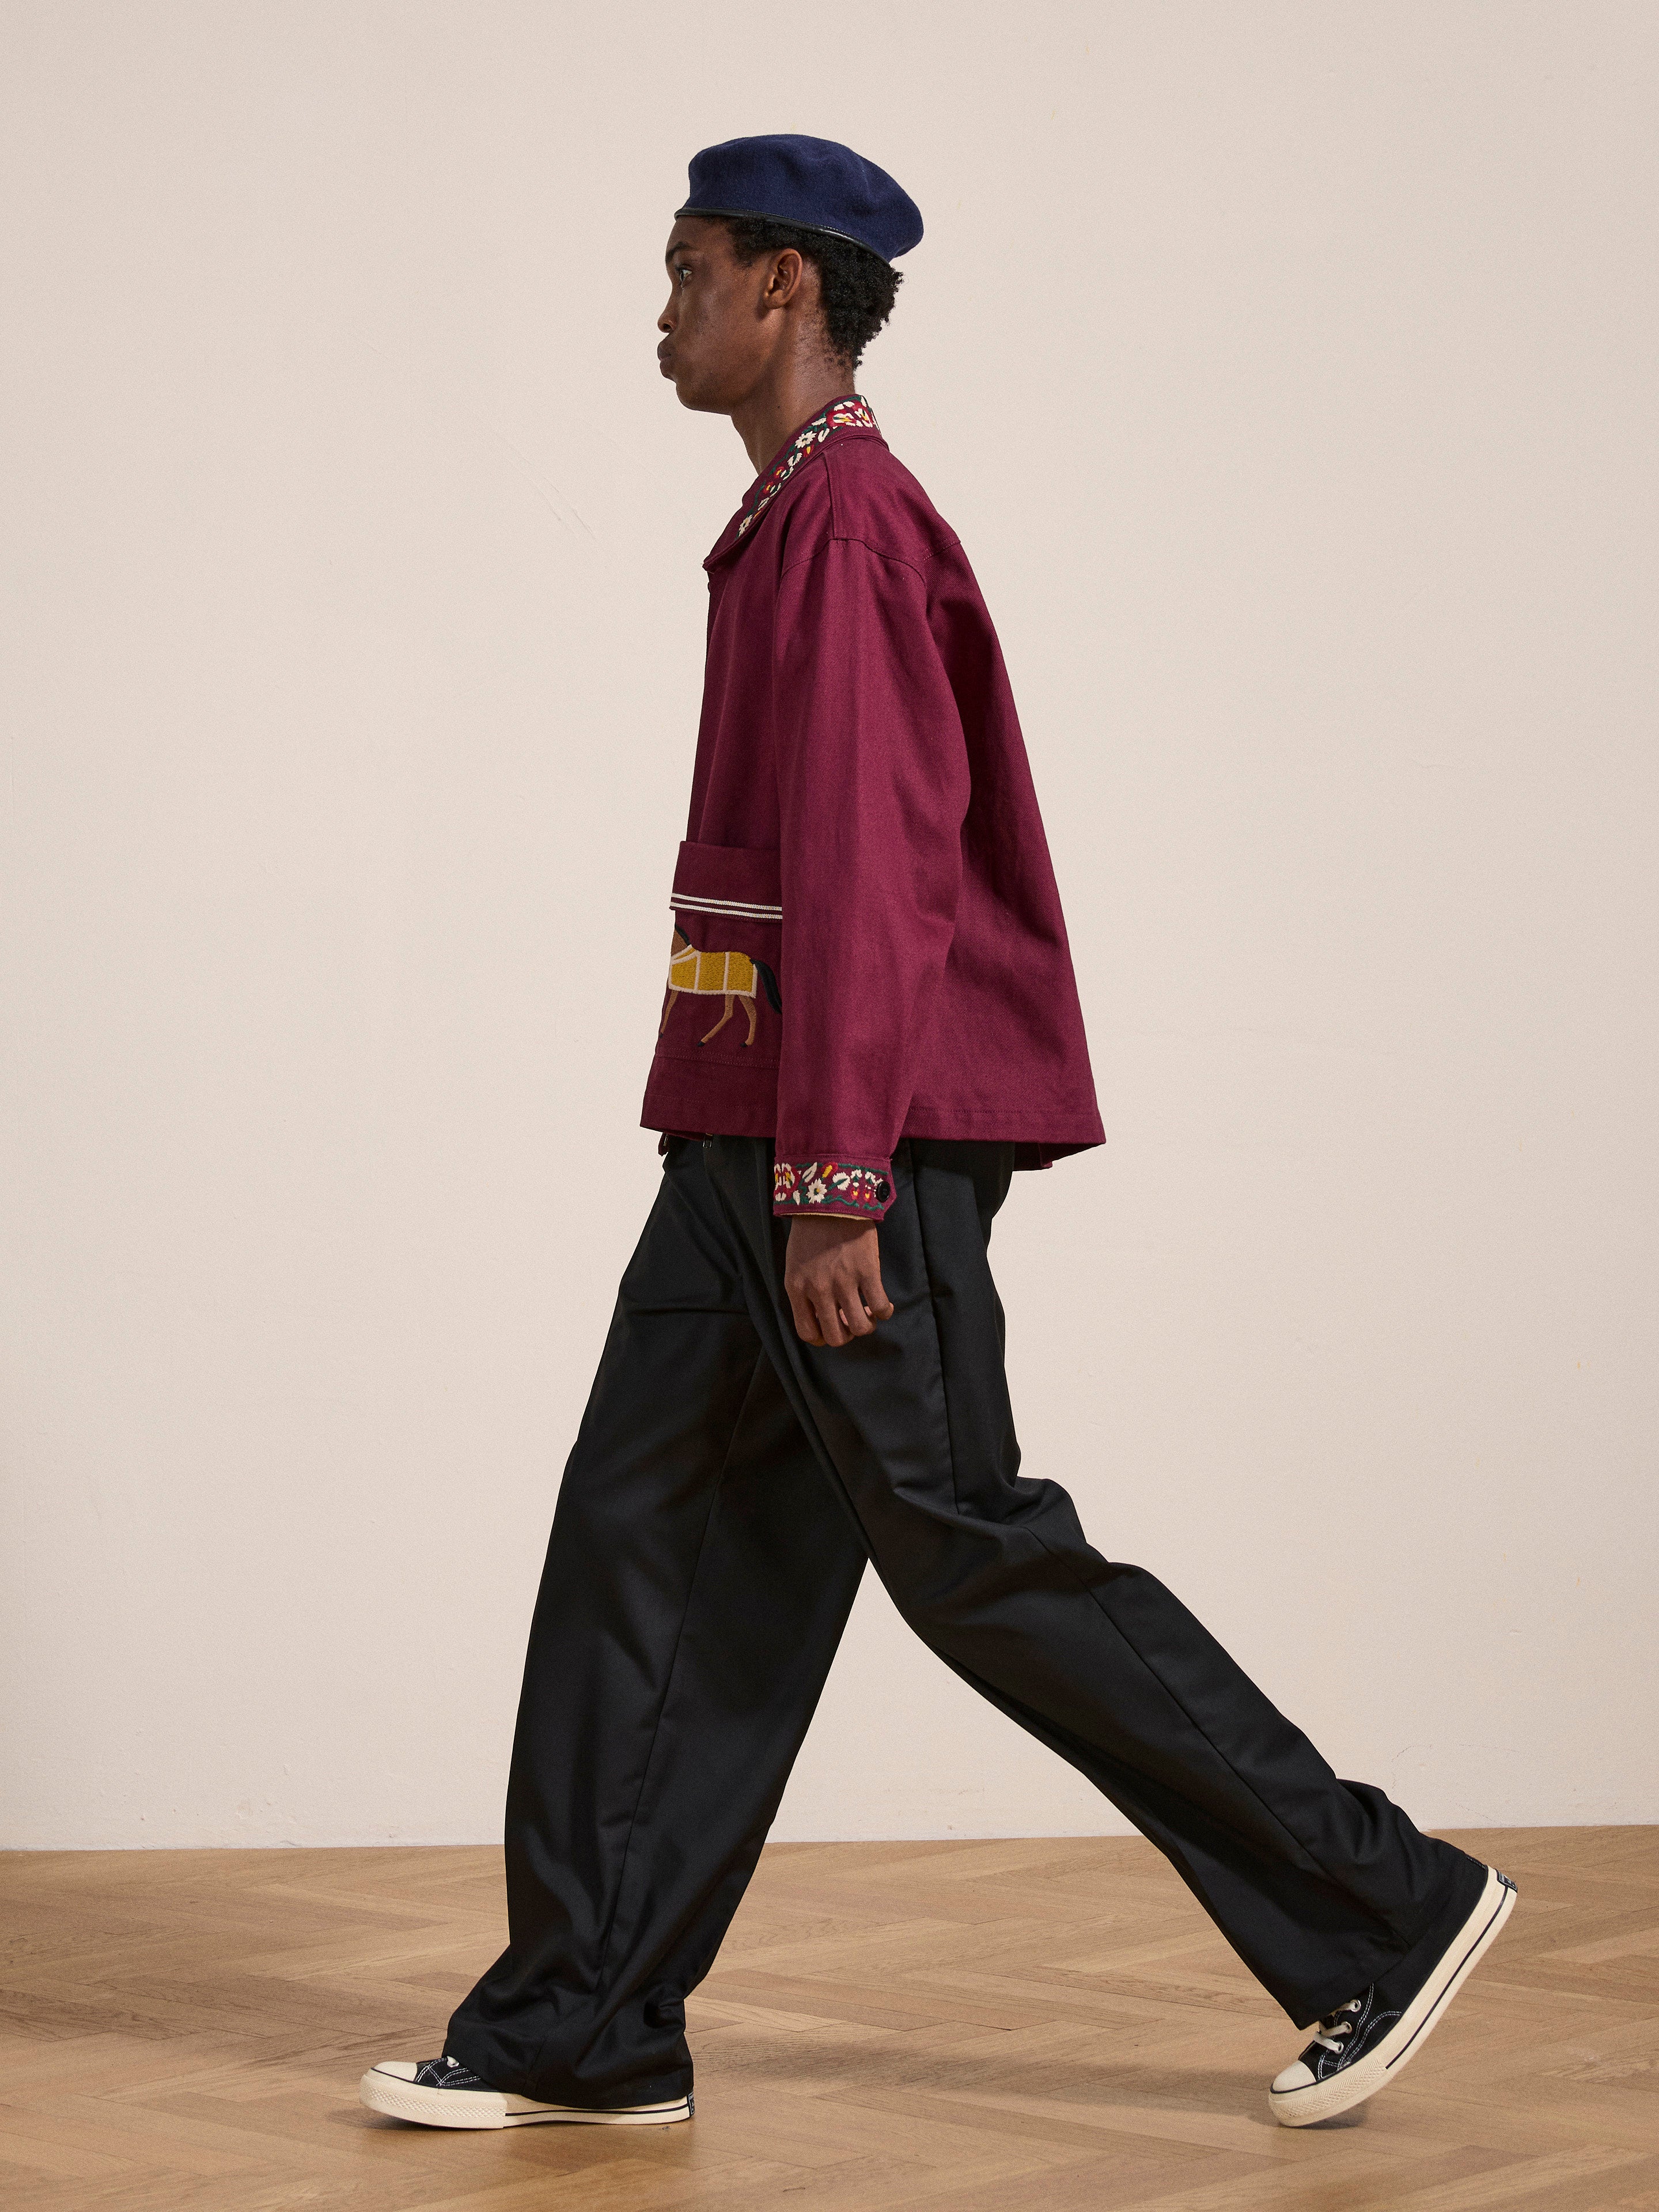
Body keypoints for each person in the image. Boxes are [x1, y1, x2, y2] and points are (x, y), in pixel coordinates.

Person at [361, 132, 1513, 2138]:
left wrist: (832, 1183)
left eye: (690, 268)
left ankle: (1382, 1907)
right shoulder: (793, 527)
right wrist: (761, 1157)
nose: (664, 309)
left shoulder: (855, 534)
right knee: (645, 1547)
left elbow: (875, 875)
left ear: (784, 289)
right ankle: (588, 2019)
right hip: (739, 1146)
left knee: (971, 1552)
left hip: (838, 1158)